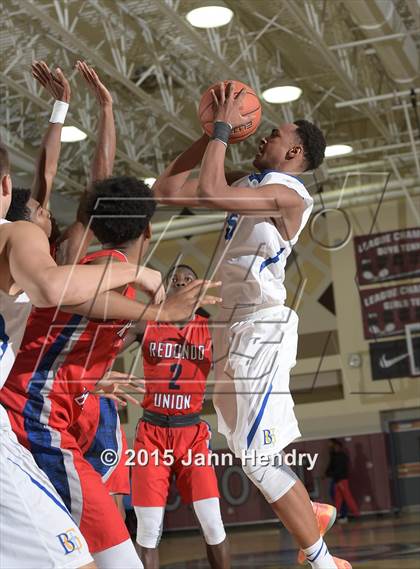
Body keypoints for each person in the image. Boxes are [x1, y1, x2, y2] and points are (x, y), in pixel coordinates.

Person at [152, 82, 351, 569]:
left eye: (274, 135)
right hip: (230, 326)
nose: (262, 137)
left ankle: (324, 562)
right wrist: (206, 135)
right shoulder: (251, 183)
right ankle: (312, 514)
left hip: (262, 327)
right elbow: (165, 191)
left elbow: (210, 189)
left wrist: (224, 127)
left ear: (296, 150)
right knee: (250, 454)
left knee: (259, 457)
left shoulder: (290, 195)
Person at [1, 174, 220, 569]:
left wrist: (89, 376)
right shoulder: (110, 267)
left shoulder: (102, 269)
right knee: (117, 554)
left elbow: (57, 335)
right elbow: (80, 307)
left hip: (51, 412)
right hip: (35, 417)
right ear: (149, 230)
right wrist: (162, 313)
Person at [0, 139, 156, 569]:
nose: (46, 213)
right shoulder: (70, 261)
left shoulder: (50, 254)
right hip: (36, 410)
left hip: (67, 395)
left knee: (104, 522)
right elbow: (64, 297)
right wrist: (158, 307)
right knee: (97, 543)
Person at [125, 264, 230, 569]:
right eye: (176, 281)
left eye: (189, 280)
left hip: (191, 434)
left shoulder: (210, 328)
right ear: (167, 290)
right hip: (152, 435)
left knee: (213, 524)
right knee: (148, 531)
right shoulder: (146, 323)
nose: (183, 285)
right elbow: (103, 352)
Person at [326, 439, 360, 522]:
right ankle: (336, 516)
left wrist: (330, 474)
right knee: (338, 499)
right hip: (338, 480)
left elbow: (339, 469)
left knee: (347, 498)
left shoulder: (341, 456)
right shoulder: (335, 455)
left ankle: (356, 514)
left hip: (341, 480)